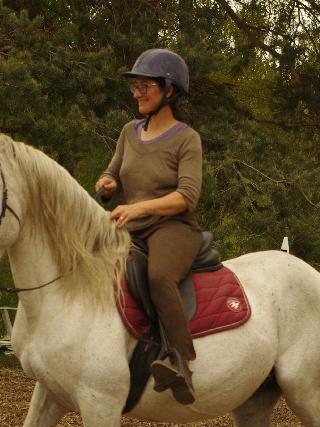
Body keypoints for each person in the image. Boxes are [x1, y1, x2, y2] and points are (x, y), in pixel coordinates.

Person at [95, 49, 203, 405]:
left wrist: (138, 206)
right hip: (129, 224)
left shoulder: (187, 139)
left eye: (145, 86)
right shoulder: (129, 132)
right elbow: (113, 171)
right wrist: (107, 183)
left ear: (169, 91)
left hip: (172, 228)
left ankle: (180, 361)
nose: (138, 93)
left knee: (158, 276)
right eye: (135, 86)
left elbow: (186, 196)